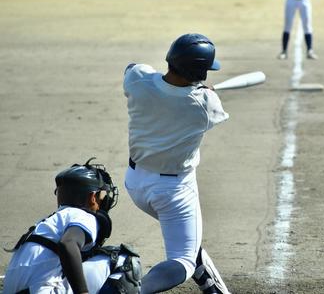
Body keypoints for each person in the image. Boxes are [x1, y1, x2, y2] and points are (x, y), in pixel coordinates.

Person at [123, 33, 231, 293]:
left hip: (135, 183)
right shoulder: (205, 105)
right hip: (173, 193)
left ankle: (215, 289)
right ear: (200, 74)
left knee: (188, 242)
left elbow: (133, 69)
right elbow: (212, 108)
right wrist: (204, 91)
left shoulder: (137, 81)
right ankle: (134, 290)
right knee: (183, 259)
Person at [3, 158, 142, 294]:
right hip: (42, 290)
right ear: (92, 197)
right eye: (101, 196)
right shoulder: (83, 216)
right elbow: (68, 244)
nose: (103, 201)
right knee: (125, 260)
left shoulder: (46, 223)